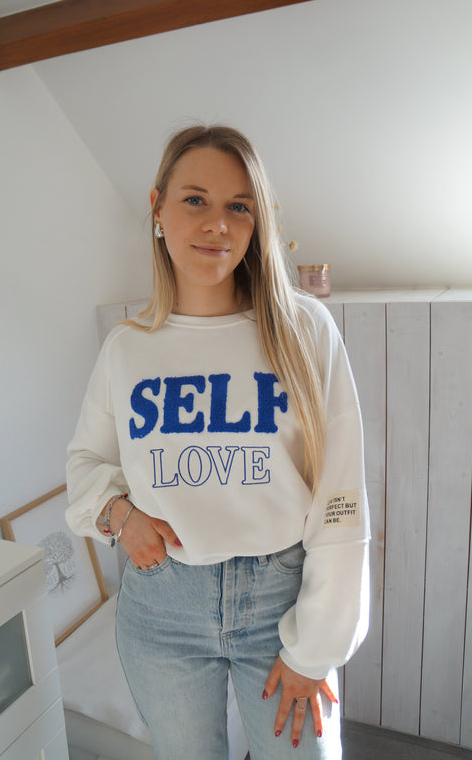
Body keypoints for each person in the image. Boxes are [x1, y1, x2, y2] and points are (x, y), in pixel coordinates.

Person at [65, 124, 370, 760]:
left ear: (258, 222)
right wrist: (119, 514)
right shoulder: (126, 348)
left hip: (281, 603)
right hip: (162, 611)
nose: (217, 224)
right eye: (195, 200)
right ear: (157, 209)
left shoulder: (304, 330)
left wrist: (316, 648)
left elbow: (342, 498)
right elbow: (85, 463)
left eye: (239, 206)